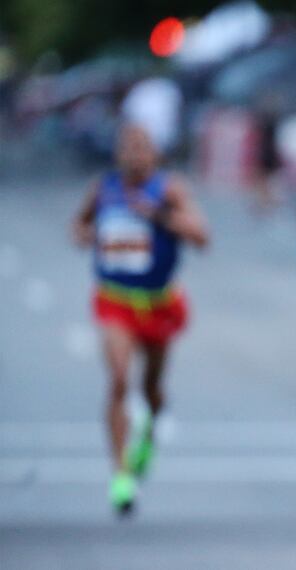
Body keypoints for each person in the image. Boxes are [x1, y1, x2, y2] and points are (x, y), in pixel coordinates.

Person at [73, 123, 209, 515]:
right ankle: (121, 475)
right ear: (118, 154)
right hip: (115, 300)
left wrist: (159, 216)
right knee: (118, 380)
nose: (135, 155)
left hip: (158, 303)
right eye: (129, 147)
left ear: (154, 155)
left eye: (142, 148)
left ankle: (148, 432)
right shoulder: (104, 190)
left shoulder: (168, 190)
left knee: (151, 387)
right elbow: (79, 226)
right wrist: (88, 235)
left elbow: (202, 236)